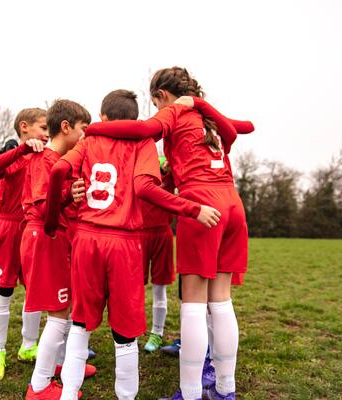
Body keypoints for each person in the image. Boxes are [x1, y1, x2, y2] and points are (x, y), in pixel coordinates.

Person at [84, 67, 254, 400]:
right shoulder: (208, 120)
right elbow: (245, 127)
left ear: (162, 96)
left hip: (202, 203)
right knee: (221, 302)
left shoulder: (176, 111)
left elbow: (144, 130)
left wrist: (94, 129)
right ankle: (224, 390)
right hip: (233, 203)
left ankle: (190, 393)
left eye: (156, 104)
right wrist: (202, 107)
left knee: (193, 304)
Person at [44, 89, 220, 400]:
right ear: (135, 120)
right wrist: (190, 207)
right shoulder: (143, 142)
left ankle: (68, 394)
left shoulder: (89, 140)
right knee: (125, 335)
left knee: (80, 326)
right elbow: (144, 186)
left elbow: (58, 169)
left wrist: (53, 213)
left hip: (87, 239)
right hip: (124, 242)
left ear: (103, 118)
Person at [20, 100, 95, 400]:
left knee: (63, 310)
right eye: (83, 130)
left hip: (54, 238)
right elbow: (43, 205)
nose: (86, 136)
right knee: (59, 314)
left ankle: (61, 369)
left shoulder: (59, 160)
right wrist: (67, 196)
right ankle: (38, 387)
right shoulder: (44, 160)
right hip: (44, 238)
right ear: (66, 127)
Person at [0, 108, 48, 382]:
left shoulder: (45, 154)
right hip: (8, 229)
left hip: (33, 230)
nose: (47, 133)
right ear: (25, 127)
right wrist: (21, 149)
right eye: (43, 127)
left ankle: (28, 345)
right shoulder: (12, 151)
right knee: (4, 292)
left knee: (34, 291)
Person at [141, 155, 176, 353]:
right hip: (139, 233)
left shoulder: (166, 162)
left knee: (159, 286)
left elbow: (172, 171)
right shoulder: (137, 163)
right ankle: (132, 329)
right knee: (135, 286)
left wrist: (166, 168)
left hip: (162, 233)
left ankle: (157, 332)